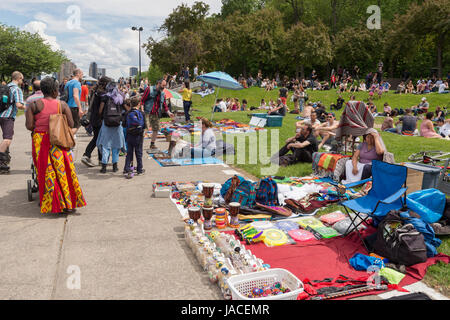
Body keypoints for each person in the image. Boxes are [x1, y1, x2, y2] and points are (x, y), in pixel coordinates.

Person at [25, 76, 86, 214]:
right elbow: (71, 124)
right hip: (58, 140)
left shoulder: (34, 105)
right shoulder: (62, 105)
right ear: (55, 91)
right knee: (63, 170)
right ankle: (68, 202)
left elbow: (29, 126)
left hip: (40, 141)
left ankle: (51, 201)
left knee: (46, 171)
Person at [97, 80, 126, 173]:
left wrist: (102, 117)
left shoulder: (105, 97)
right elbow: (125, 108)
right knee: (116, 146)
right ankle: (115, 166)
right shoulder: (120, 97)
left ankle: (104, 167)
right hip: (117, 125)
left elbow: (100, 111)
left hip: (107, 124)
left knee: (106, 145)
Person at [0, 71, 25, 173]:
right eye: (22, 79)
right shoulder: (16, 89)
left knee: (5, 138)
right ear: (18, 78)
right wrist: (28, 108)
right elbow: (19, 105)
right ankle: (1, 161)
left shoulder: (5, 87)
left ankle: (5, 156)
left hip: (1, 114)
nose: (22, 81)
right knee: (7, 139)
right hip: (8, 116)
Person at [81, 77, 109, 167]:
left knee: (99, 138)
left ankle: (100, 159)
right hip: (98, 119)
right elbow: (101, 109)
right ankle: (87, 155)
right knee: (98, 138)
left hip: (94, 118)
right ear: (105, 84)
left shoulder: (95, 91)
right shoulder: (102, 93)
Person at [140, 79, 174, 152]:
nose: (164, 87)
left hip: (156, 113)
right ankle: (140, 145)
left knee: (156, 129)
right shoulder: (149, 89)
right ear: (158, 83)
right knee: (145, 129)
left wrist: (169, 113)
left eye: (165, 86)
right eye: (163, 85)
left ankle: (152, 144)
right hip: (147, 112)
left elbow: (164, 105)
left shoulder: (162, 94)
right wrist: (142, 110)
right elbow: (142, 100)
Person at [123, 96, 146, 178]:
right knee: (138, 152)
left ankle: (127, 168)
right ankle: (139, 169)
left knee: (129, 153)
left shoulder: (127, 113)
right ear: (139, 104)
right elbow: (144, 126)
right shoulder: (142, 113)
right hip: (139, 136)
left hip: (129, 136)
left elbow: (124, 124)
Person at [65, 69, 84, 136]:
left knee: (69, 125)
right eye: (82, 74)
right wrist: (80, 108)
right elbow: (75, 96)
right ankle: (66, 138)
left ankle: (68, 141)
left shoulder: (68, 83)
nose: (82, 75)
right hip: (74, 106)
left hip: (66, 106)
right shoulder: (77, 83)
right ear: (78, 74)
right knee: (77, 125)